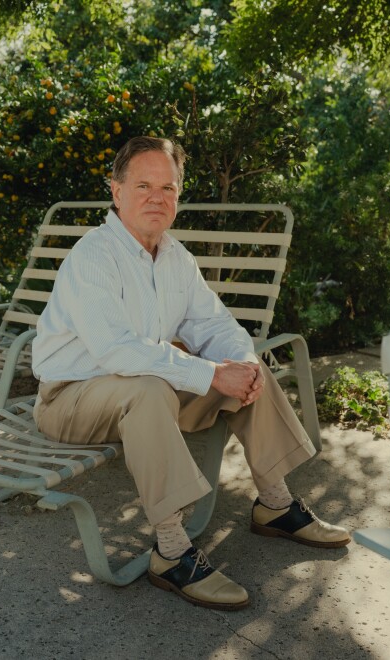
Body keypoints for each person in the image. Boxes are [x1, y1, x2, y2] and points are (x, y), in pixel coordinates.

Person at [31, 136, 350, 611]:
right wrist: (208, 374)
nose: (156, 197)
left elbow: (212, 323)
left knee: (242, 367)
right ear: (116, 192)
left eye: (168, 187)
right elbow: (117, 352)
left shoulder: (175, 257)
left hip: (146, 389)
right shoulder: (93, 257)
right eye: (143, 185)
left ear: (178, 195)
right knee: (149, 387)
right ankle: (172, 552)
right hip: (69, 399)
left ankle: (276, 505)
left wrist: (239, 362)